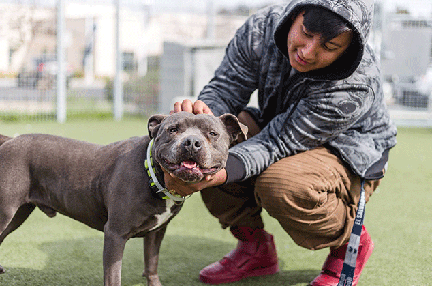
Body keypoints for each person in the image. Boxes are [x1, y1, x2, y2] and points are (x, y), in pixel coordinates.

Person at [165, 0, 397, 285]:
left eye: (330, 47)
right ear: (297, 12)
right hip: (281, 125)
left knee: (281, 184)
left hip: (347, 150)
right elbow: (226, 87)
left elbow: (276, 143)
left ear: (348, 48)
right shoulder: (261, 28)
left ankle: (349, 244)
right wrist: (202, 119)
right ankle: (255, 250)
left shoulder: (356, 81)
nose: (308, 52)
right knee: (215, 144)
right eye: (307, 33)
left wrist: (218, 175)